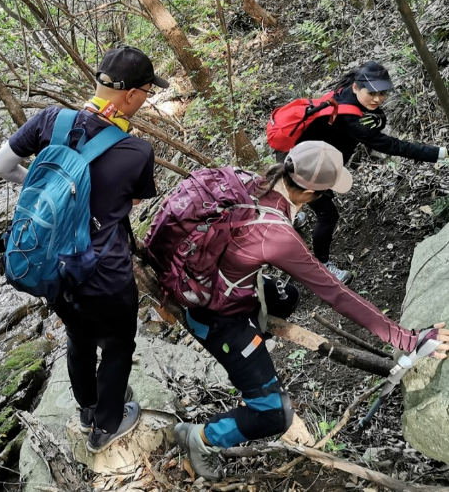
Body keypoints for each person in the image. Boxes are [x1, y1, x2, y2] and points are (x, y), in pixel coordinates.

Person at [173, 140, 449, 481]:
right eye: (325, 192)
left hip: (200, 281)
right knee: (275, 414)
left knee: (287, 297)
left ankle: (254, 342)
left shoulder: (245, 180)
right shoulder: (276, 235)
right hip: (218, 320)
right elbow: (336, 293)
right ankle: (200, 438)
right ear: (308, 193)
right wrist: (408, 339)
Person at [0, 45, 168, 453]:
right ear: (132, 95)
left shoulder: (50, 119)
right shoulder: (136, 152)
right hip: (105, 274)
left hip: (52, 265)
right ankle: (107, 426)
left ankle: (88, 408)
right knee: (119, 345)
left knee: (78, 336)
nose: (146, 98)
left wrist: (50, 187)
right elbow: (131, 202)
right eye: (146, 91)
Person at [292, 61, 447, 283]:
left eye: (382, 93)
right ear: (357, 87)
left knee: (297, 196)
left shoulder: (346, 92)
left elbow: (371, 116)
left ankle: (292, 214)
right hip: (306, 164)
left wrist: (379, 118)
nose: (378, 99)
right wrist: (440, 153)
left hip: (303, 151)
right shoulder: (351, 120)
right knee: (328, 215)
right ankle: (322, 266)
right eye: (372, 93)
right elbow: (394, 146)